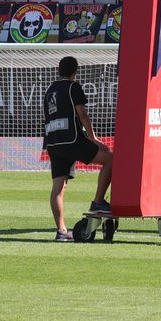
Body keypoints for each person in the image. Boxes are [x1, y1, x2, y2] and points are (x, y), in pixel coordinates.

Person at [43, 56, 113, 241]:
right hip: (71, 139)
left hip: (53, 142)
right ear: (75, 71)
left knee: (58, 188)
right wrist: (93, 138)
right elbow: (82, 113)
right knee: (111, 159)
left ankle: (61, 231)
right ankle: (98, 202)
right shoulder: (73, 87)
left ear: (58, 70)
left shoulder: (50, 89)